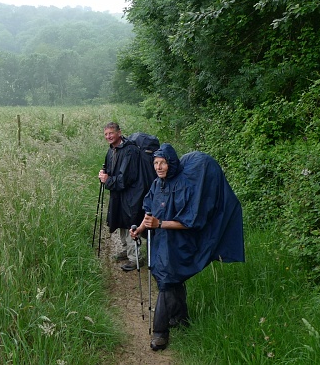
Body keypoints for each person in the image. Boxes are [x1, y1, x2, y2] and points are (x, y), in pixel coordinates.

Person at [131, 143, 245, 351]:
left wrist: (161, 224)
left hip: (178, 243)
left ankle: (160, 333)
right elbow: (149, 212)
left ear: (171, 163)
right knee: (169, 279)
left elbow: (191, 221)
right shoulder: (157, 184)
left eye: (163, 163)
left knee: (166, 281)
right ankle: (181, 318)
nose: (158, 167)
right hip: (159, 242)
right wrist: (139, 229)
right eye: (156, 163)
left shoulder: (183, 185)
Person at [97, 122, 152, 272]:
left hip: (132, 194)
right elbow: (109, 172)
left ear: (119, 133)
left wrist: (107, 180)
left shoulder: (130, 151)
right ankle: (126, 250)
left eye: (111, 133)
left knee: (130, 223)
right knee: (121, 221)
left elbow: (125, 179)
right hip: (119, 194)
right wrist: (103, 176)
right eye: (106, 134)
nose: (108, 136)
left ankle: (135, 259)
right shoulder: (112, 150)